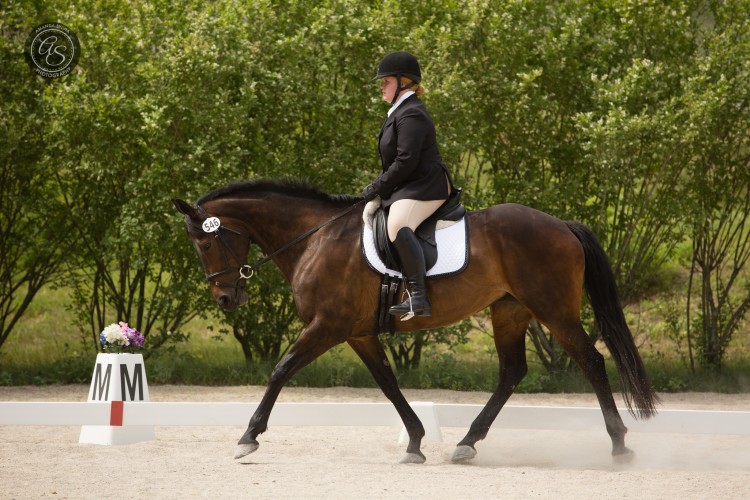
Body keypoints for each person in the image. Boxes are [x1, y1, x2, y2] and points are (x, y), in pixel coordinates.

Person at [360, 51, 454, 319]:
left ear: (404, 82)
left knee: (397, 224)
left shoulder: (411, 113)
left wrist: (376, 188)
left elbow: (405, 161)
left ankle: (418, 297)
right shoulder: (400, 112)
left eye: (386, 81)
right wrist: (381, 193)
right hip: (411, 185)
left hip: (427, 185)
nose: (381, 86)